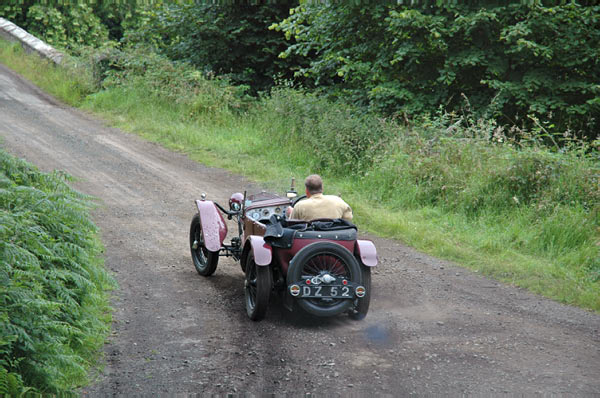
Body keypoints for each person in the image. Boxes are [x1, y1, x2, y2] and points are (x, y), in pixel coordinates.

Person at [286, 174, 353, 221]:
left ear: (306, 191)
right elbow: (348, 218)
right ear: (322, 188)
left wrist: (291, 213)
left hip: (310, 238)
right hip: (334, 238)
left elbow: (292, 224)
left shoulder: (300, 206)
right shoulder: (338, 201)